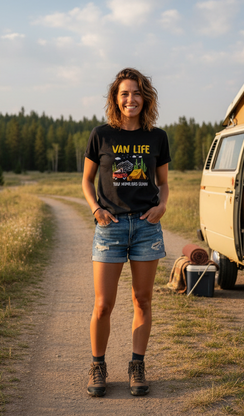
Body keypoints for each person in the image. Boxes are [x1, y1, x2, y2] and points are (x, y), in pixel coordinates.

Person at [82, 67, 170, 397]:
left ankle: (137, 365)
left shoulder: (156, 137)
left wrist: (161, 207)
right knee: (103, 305)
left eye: (136, 93)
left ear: (144, 98)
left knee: (142, 301)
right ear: (115, 100)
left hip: (146, 228)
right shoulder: (101, 135)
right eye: (124, 94)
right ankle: (98, 365)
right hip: (111, 228)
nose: (130, 99)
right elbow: (86, 181)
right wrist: (96, 209)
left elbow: (163, 184)